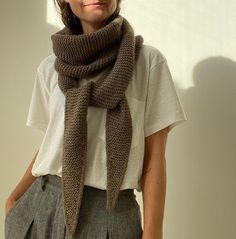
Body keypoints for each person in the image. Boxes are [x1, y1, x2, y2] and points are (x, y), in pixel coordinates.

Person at [4, 0, 187, 239]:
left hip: (112, 212)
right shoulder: (50, 68)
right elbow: (54, 145)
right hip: (43, 206)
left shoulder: (148, 62)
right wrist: (14, 198)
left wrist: (154, 232)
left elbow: (154, 158)